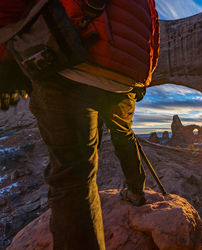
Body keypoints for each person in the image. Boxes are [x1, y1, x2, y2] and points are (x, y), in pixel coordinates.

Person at [0, 0, 159, 249]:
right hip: (124, 76)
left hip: (71, 58)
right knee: (123, 134)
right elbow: (153, 31)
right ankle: (136, 191)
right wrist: (143, 80)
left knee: (73, 173)